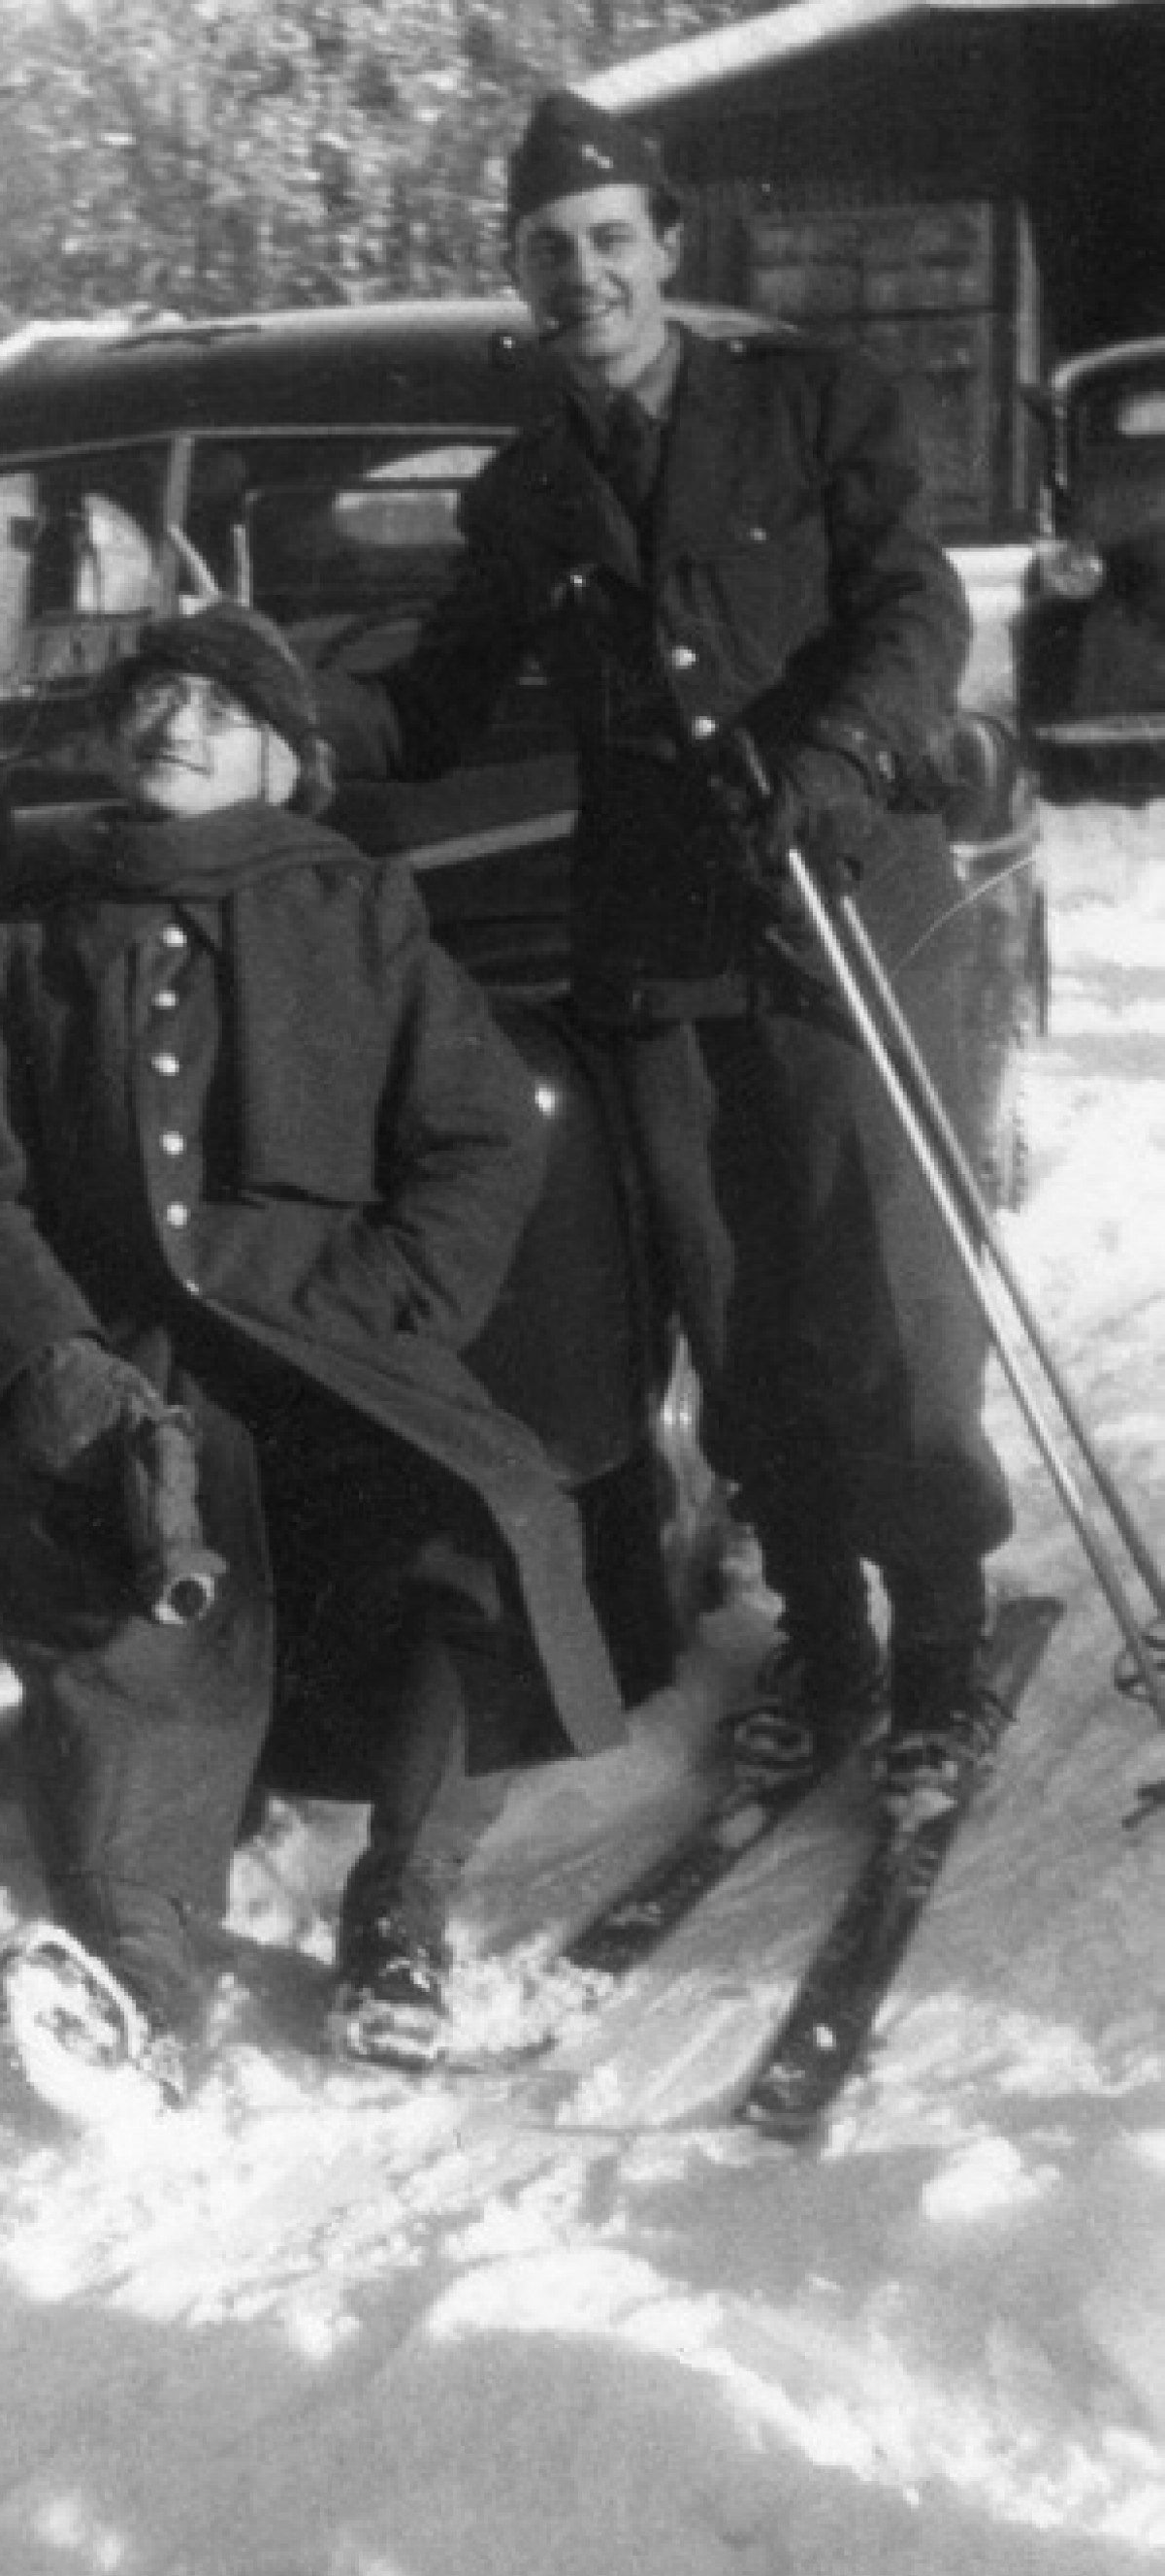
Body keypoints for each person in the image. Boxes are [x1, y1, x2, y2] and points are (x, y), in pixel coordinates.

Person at [317, 87, 1015, 1809]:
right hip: (658, 946)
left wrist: (839, 751)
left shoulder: (814, 406)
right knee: (734, 1304)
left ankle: (939, 1639)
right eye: (550, 251)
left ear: (667, 245)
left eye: (612, 240)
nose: (587, 276)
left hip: (844, 908)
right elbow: (434, 700)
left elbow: (916, 605)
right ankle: (825, 1637)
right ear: (519, 273)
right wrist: (275, 716)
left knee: (888, 1296)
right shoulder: (529, 496)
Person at [0, 603, 626, 2096]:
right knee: (131, 1633)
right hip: (134, 1363)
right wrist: (53, 1358)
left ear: (283, 761)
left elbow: (483, 1132)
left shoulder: (357, 912)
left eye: (221, 710)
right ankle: (134, 1979)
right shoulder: (30, 941)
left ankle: (401, 1918)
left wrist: (396, 1294)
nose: (177, 725)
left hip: (341, 1342)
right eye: (154, 698)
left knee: (486, 1532)